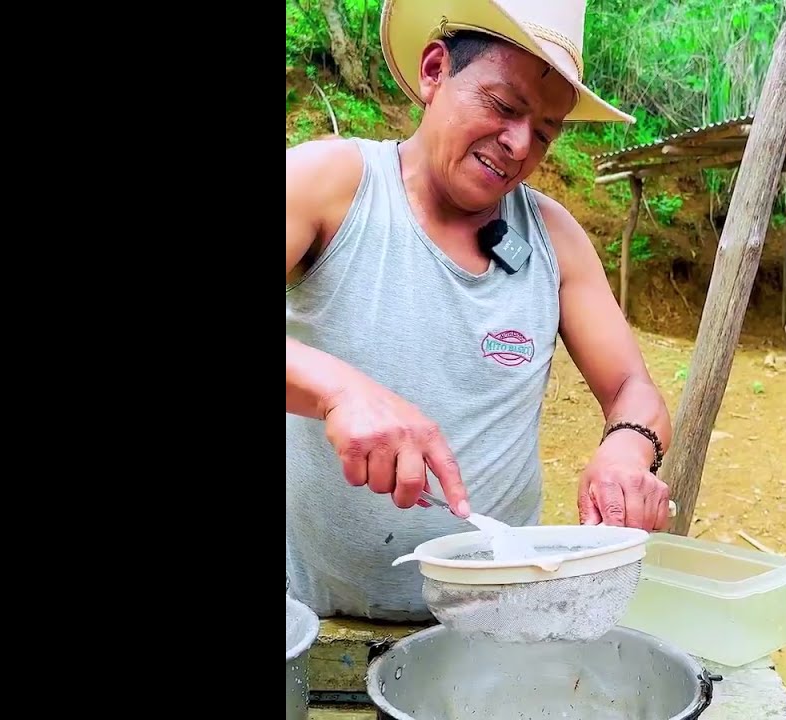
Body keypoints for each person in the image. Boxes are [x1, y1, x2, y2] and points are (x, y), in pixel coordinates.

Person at [286, 0, 672, 620]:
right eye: (503, 105)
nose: (520, 144)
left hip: (496, 623)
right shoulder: (329, 184)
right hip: (316, 615)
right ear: (436, 69)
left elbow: (632, 386)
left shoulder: (555, 237)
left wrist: (627, 449)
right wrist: (338, 390)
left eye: (545, 131)